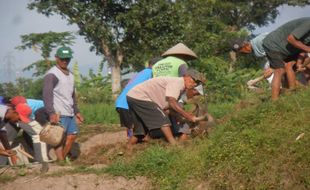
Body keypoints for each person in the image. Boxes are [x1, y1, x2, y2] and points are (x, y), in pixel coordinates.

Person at [126, 69, 205, 148]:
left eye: (197, 83)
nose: (194, 84)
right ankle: (174, 145)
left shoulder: (180, 89)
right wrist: (188, 116)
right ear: (187, 76)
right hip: (140, 96)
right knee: (163, 119)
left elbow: (167, 109)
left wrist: (180, 117)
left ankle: (127, 148)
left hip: (133, 96)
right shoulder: (178, 82)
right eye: (194, 80)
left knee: (141, 130)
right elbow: (171, 102)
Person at [43, 46, 84, 161]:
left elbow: (72, 95)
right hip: (58, 112)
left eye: (67, 59)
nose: (65, 61)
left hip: (70, 111)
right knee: (58, 138)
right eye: (62, 59)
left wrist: (77, 112)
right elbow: (47, 95)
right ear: (56, 58)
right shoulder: (52, 74)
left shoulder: (71, 75)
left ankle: (62, 159)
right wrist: (51, 113)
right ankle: (61, 163)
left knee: (72, 136)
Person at [262, 17, 310, 100]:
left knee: (290, 66)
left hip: (290, 49)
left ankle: (292, 92)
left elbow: (304, 49)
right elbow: (291, 39)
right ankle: (275, 102)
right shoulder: (308, 23)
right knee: (279, 70)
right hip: (274, 45)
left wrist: (299, 64)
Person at [115, 57, 161, 138]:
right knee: (133, 125)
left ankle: (131, 140)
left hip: (121, 102)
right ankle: (131, 143)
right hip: (127, 103)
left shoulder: (142, 72)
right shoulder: (150, 73)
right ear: (154, 65)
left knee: (131, 125)